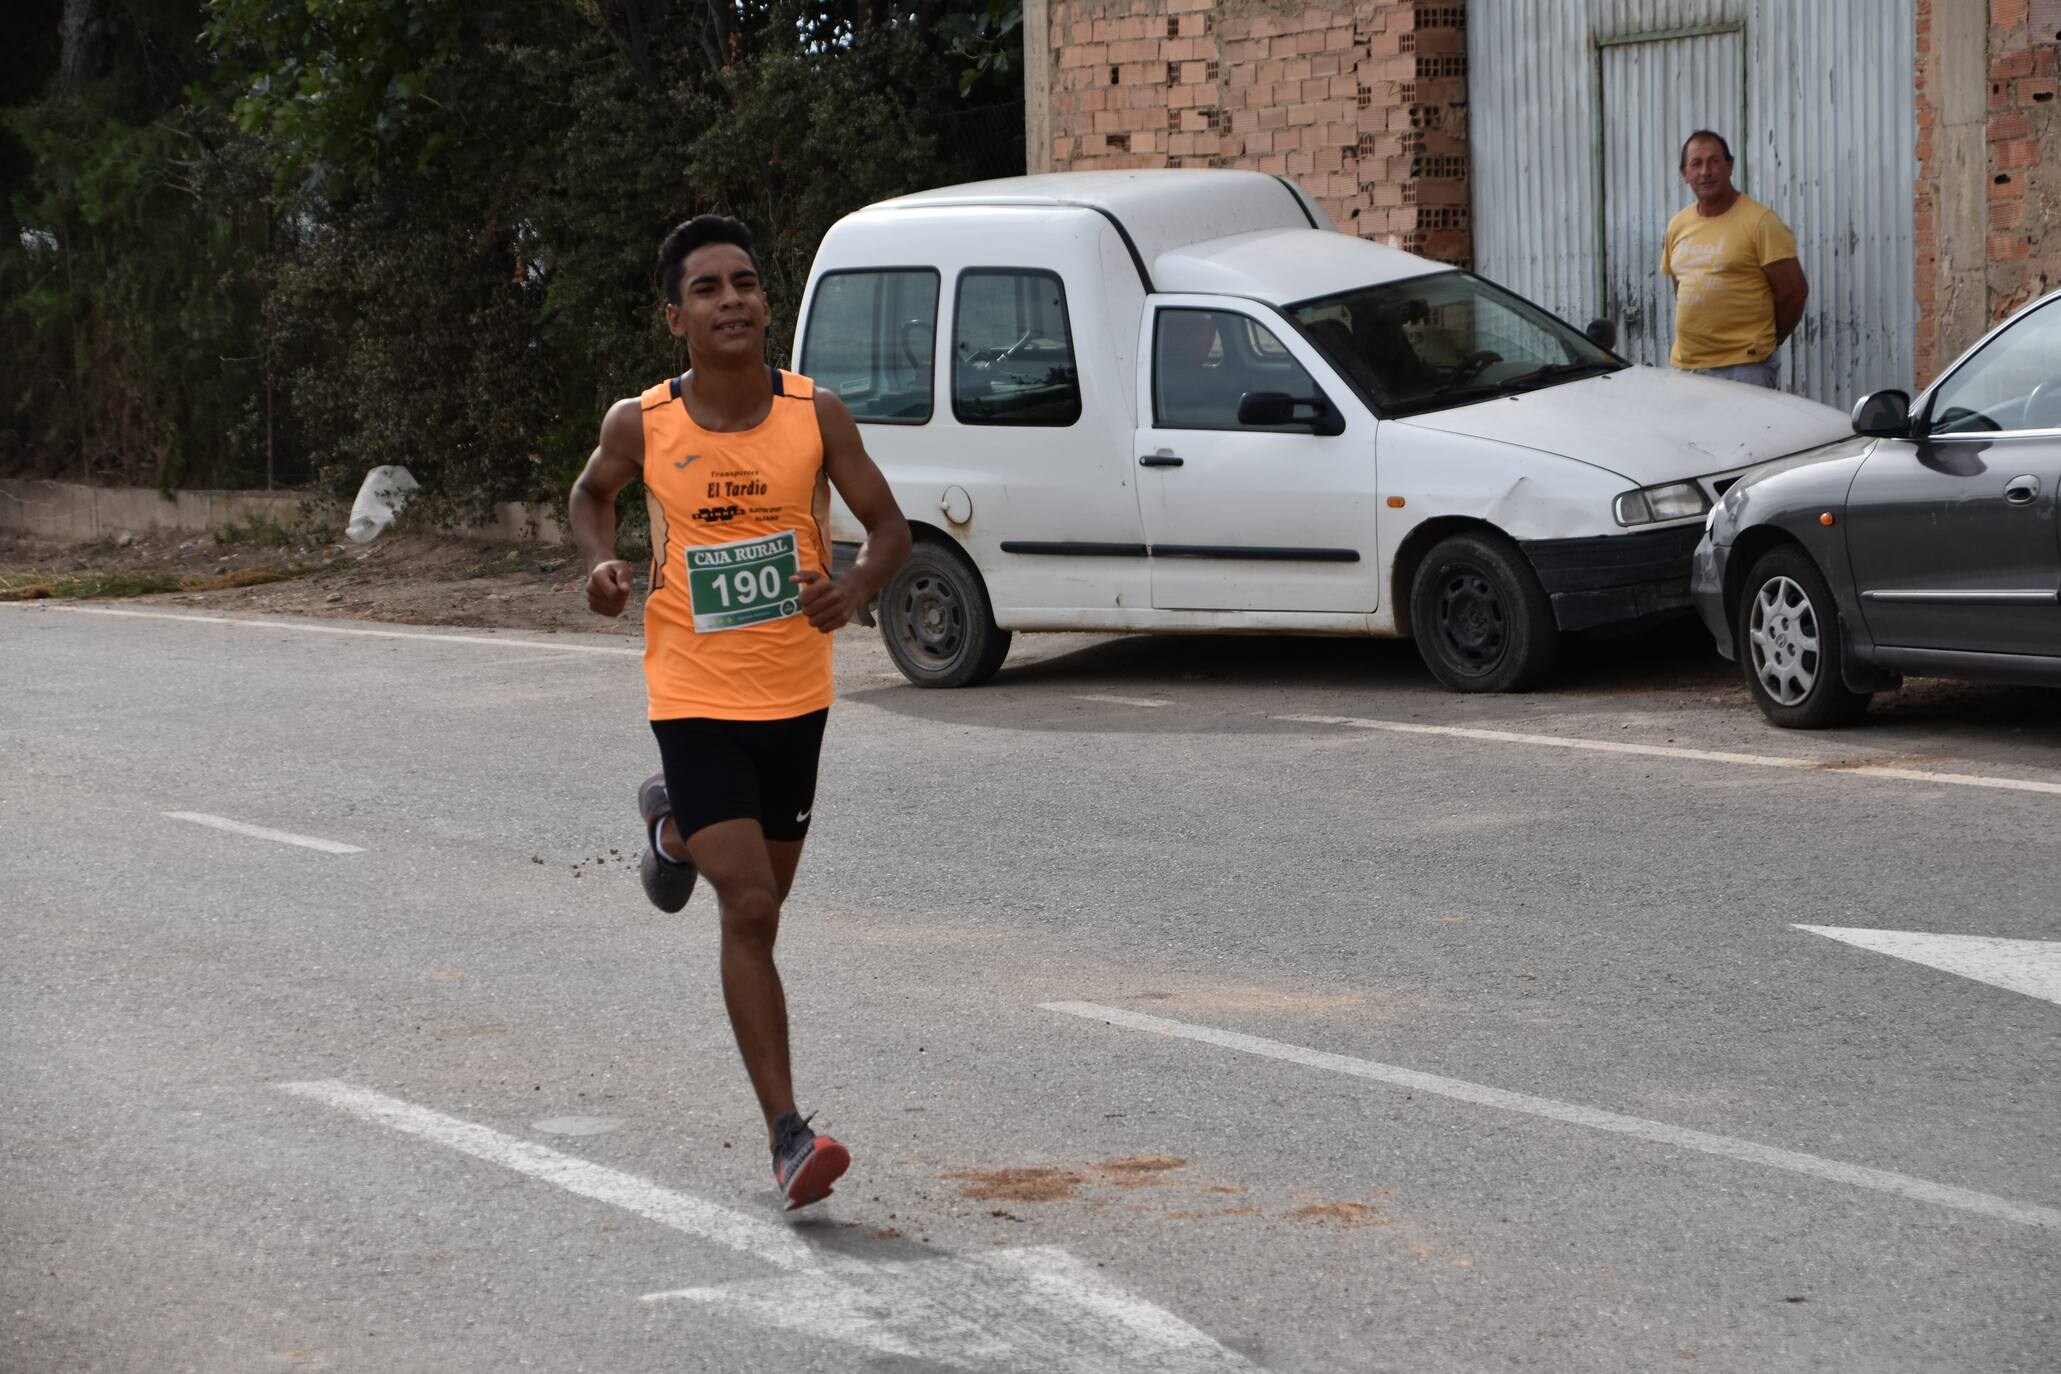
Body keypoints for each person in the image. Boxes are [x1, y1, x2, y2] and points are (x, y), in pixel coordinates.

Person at [568, 214, 911, 1210]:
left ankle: (672, 826)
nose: (732, 301)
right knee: (749, 906)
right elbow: (592, 495)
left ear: (766, 302)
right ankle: (788, 1136)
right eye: (709, 289)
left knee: (769, 902)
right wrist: (597, 563)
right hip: (692, 689)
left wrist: (853, 589)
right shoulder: (644, 422)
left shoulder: (816, 415)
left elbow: (888, 527)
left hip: (795, 695)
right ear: (676, 317)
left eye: (746, 284)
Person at [1661, 130, 1808, 389]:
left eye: (1714, 161)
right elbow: (1680, 286)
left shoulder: (1761, 222)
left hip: (1744, 368)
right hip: (1686, 366)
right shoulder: (1677, 225)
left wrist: (1767, 341)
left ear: (1729, 166)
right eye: (1696, 163)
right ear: (1685, 174)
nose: (1705, 171)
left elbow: (1794, 293)